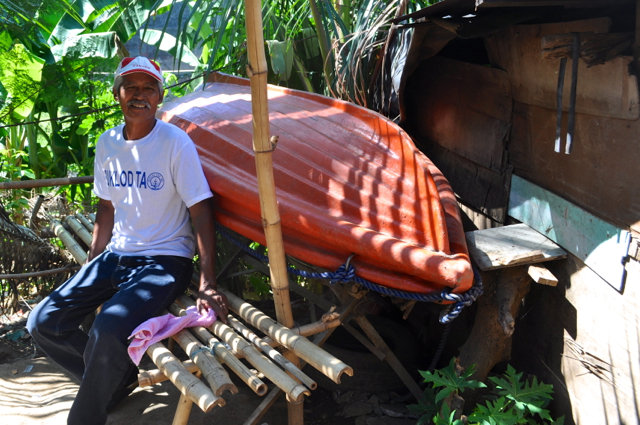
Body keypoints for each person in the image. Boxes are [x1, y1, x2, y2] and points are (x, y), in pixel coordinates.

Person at [26, 56, 228, 425]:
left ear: (159, 97)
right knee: (42, 321)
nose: (139, 95)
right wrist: (93, 259)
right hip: (115, 255)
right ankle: (114, 382)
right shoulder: (107, 144)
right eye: (131, 87)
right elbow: (106, 208)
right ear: (117, 94)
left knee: (107, 329)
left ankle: (85, 416)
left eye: (148, 88)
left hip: (164, 261)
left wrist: (207, 281)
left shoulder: (174, 143)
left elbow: (201, 210)